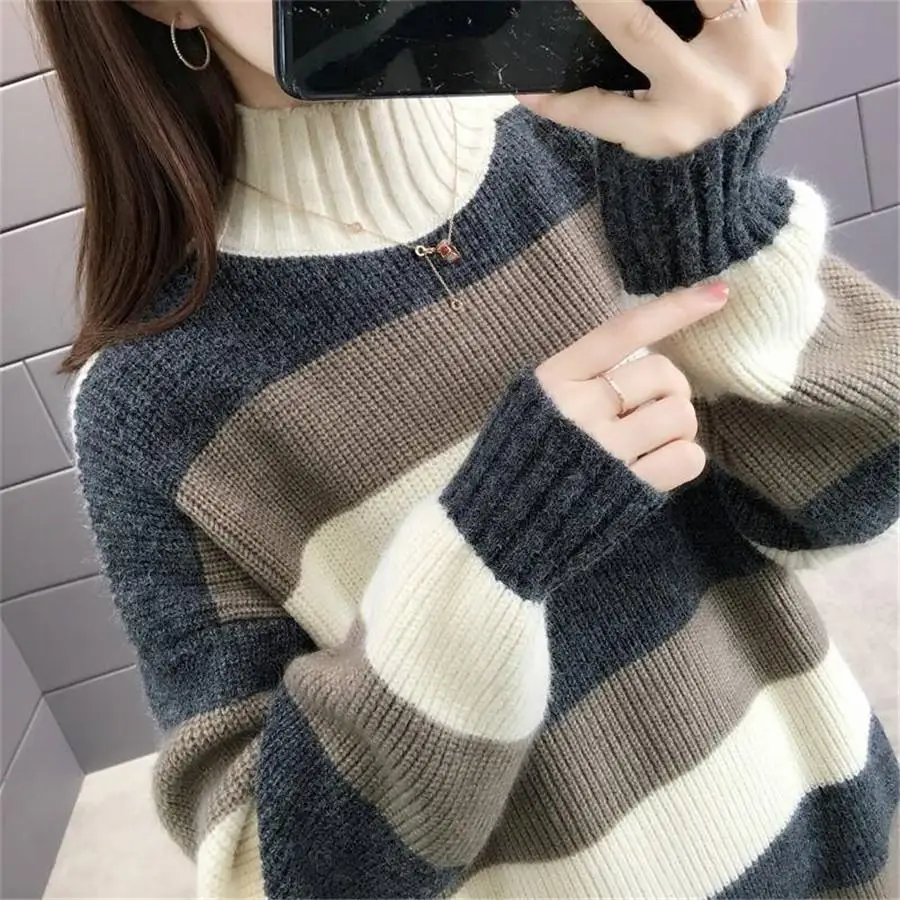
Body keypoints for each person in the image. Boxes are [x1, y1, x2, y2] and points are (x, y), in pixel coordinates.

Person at [32, 0, 899, 896]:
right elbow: (269, 870)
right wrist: (489, 553)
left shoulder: (591, 132)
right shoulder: (150, 405)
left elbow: (856, 496)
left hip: (826, 823)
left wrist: (718, 217)